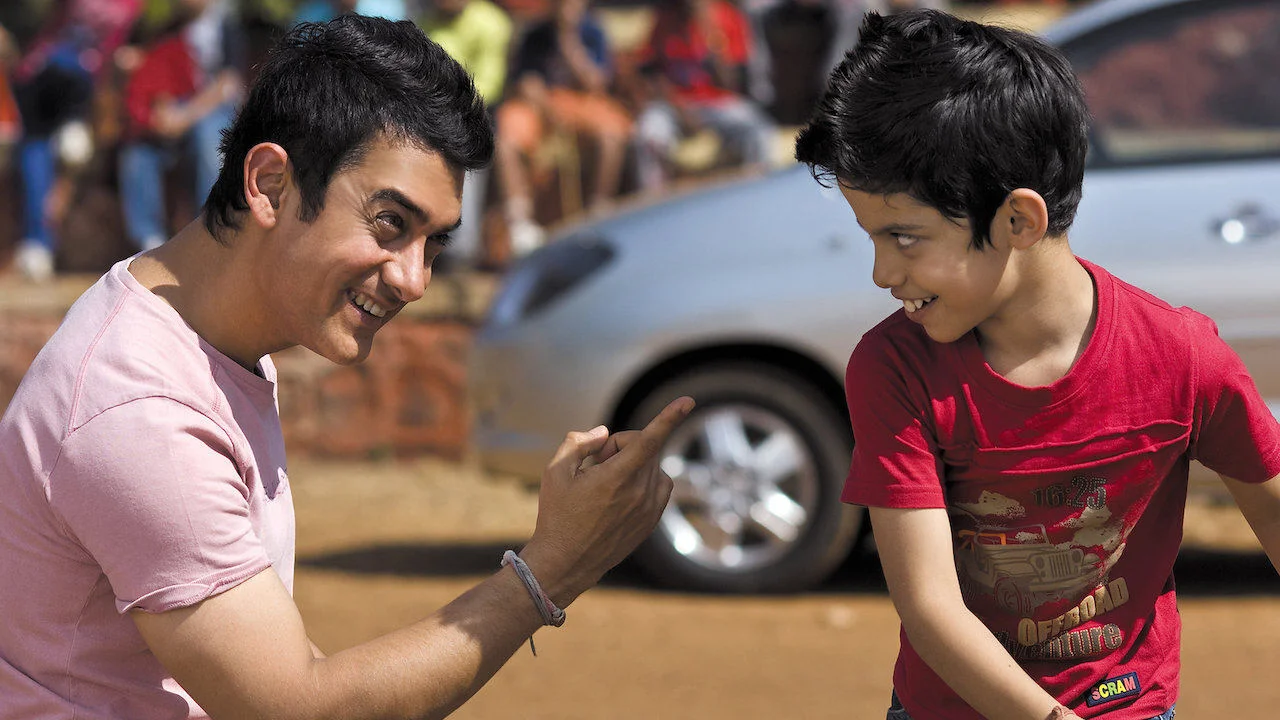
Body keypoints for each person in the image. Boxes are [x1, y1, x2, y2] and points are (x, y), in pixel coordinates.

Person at [0, 15, 691, 718]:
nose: (415, 280)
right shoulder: (141, 412)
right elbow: (296, 707)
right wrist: (549, 571)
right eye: (391, 223)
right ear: (271, 184)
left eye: (434, 243)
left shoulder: (199, 329)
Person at [794, 10, 1280, 720]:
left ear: (1018, 221)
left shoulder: (1182, 356)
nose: (882, 273)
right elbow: (930, 607)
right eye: (873, 238)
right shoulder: (894, 367)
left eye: (904, 237)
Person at [9, 0, 143, 282]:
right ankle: (38, 244)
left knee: (67, 154)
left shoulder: (133, 9)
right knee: (39, 151)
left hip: (95, 98)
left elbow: (123, 52)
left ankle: (41, 240)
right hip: (47, 85)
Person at [495, 0, 631, 256]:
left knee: (612, 133)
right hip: (541, 105)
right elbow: (523, 82)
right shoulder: (535, 33)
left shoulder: (593, 31)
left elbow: (596, 84)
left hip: (584, 103)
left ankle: (598, 213)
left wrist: (568, 40)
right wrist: (542, 103)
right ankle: (520, 223)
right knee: (508, 132)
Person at [117, 0, 244, 252]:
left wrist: (185, 115)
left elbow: (228, 84)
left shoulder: (226, 27)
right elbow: (157, 73)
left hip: (212, 111)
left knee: (209, 137)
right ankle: (148, 239)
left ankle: (211, 231)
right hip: (174, 112)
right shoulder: (168, 28)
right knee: (137, 152)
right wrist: (160, 110)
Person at [632, 0, 776, 195]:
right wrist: (679, 109)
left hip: (715, 102)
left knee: (757, 129)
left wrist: (710, 36)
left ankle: (758, 195)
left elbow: (731, 83)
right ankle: (655, 199)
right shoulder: (665, 19)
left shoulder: (727, 15)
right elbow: (651, 74)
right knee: (648, 134)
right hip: (673, 105)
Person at [419, 0, 513, 268]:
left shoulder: (492, 22)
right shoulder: (424, 22)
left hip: (474, 118)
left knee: (463, 157)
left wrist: (446, 106)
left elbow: (489, 85)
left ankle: (460, 249)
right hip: (427, 116)